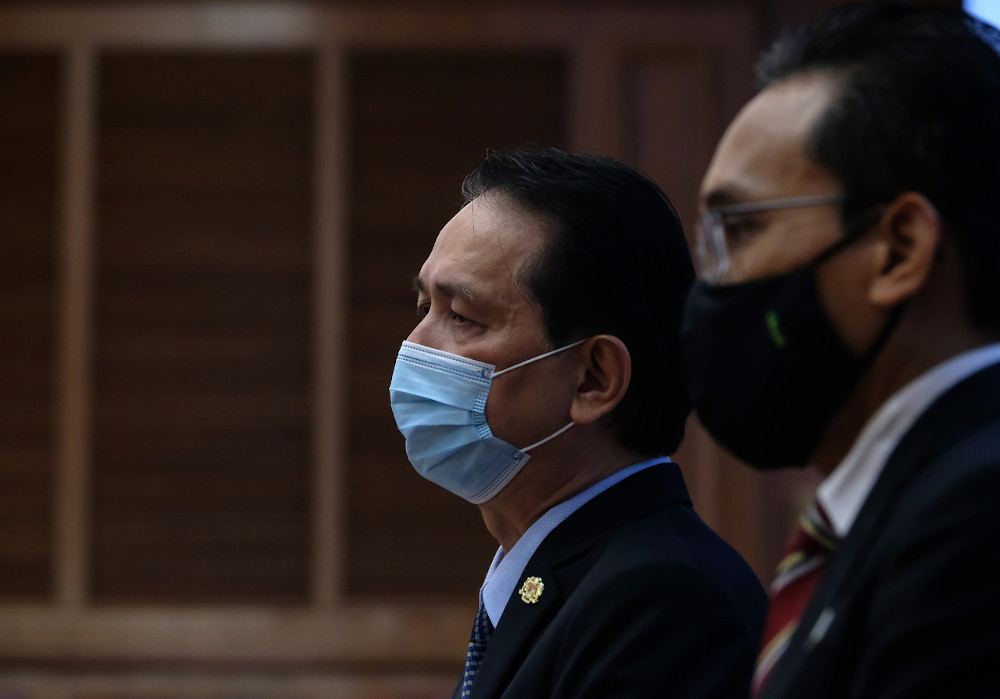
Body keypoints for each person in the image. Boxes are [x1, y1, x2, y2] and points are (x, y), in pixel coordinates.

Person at [680, 3, 1000, 698]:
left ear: (900, 248)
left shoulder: (974, 513)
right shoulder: (895, 505)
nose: (713, 283)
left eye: (740, 230)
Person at [389, 146, 766, 698]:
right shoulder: (552, 576)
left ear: (593, 379)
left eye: (462, 317)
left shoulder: (663, 601)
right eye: (424, 309)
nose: (414, 345)